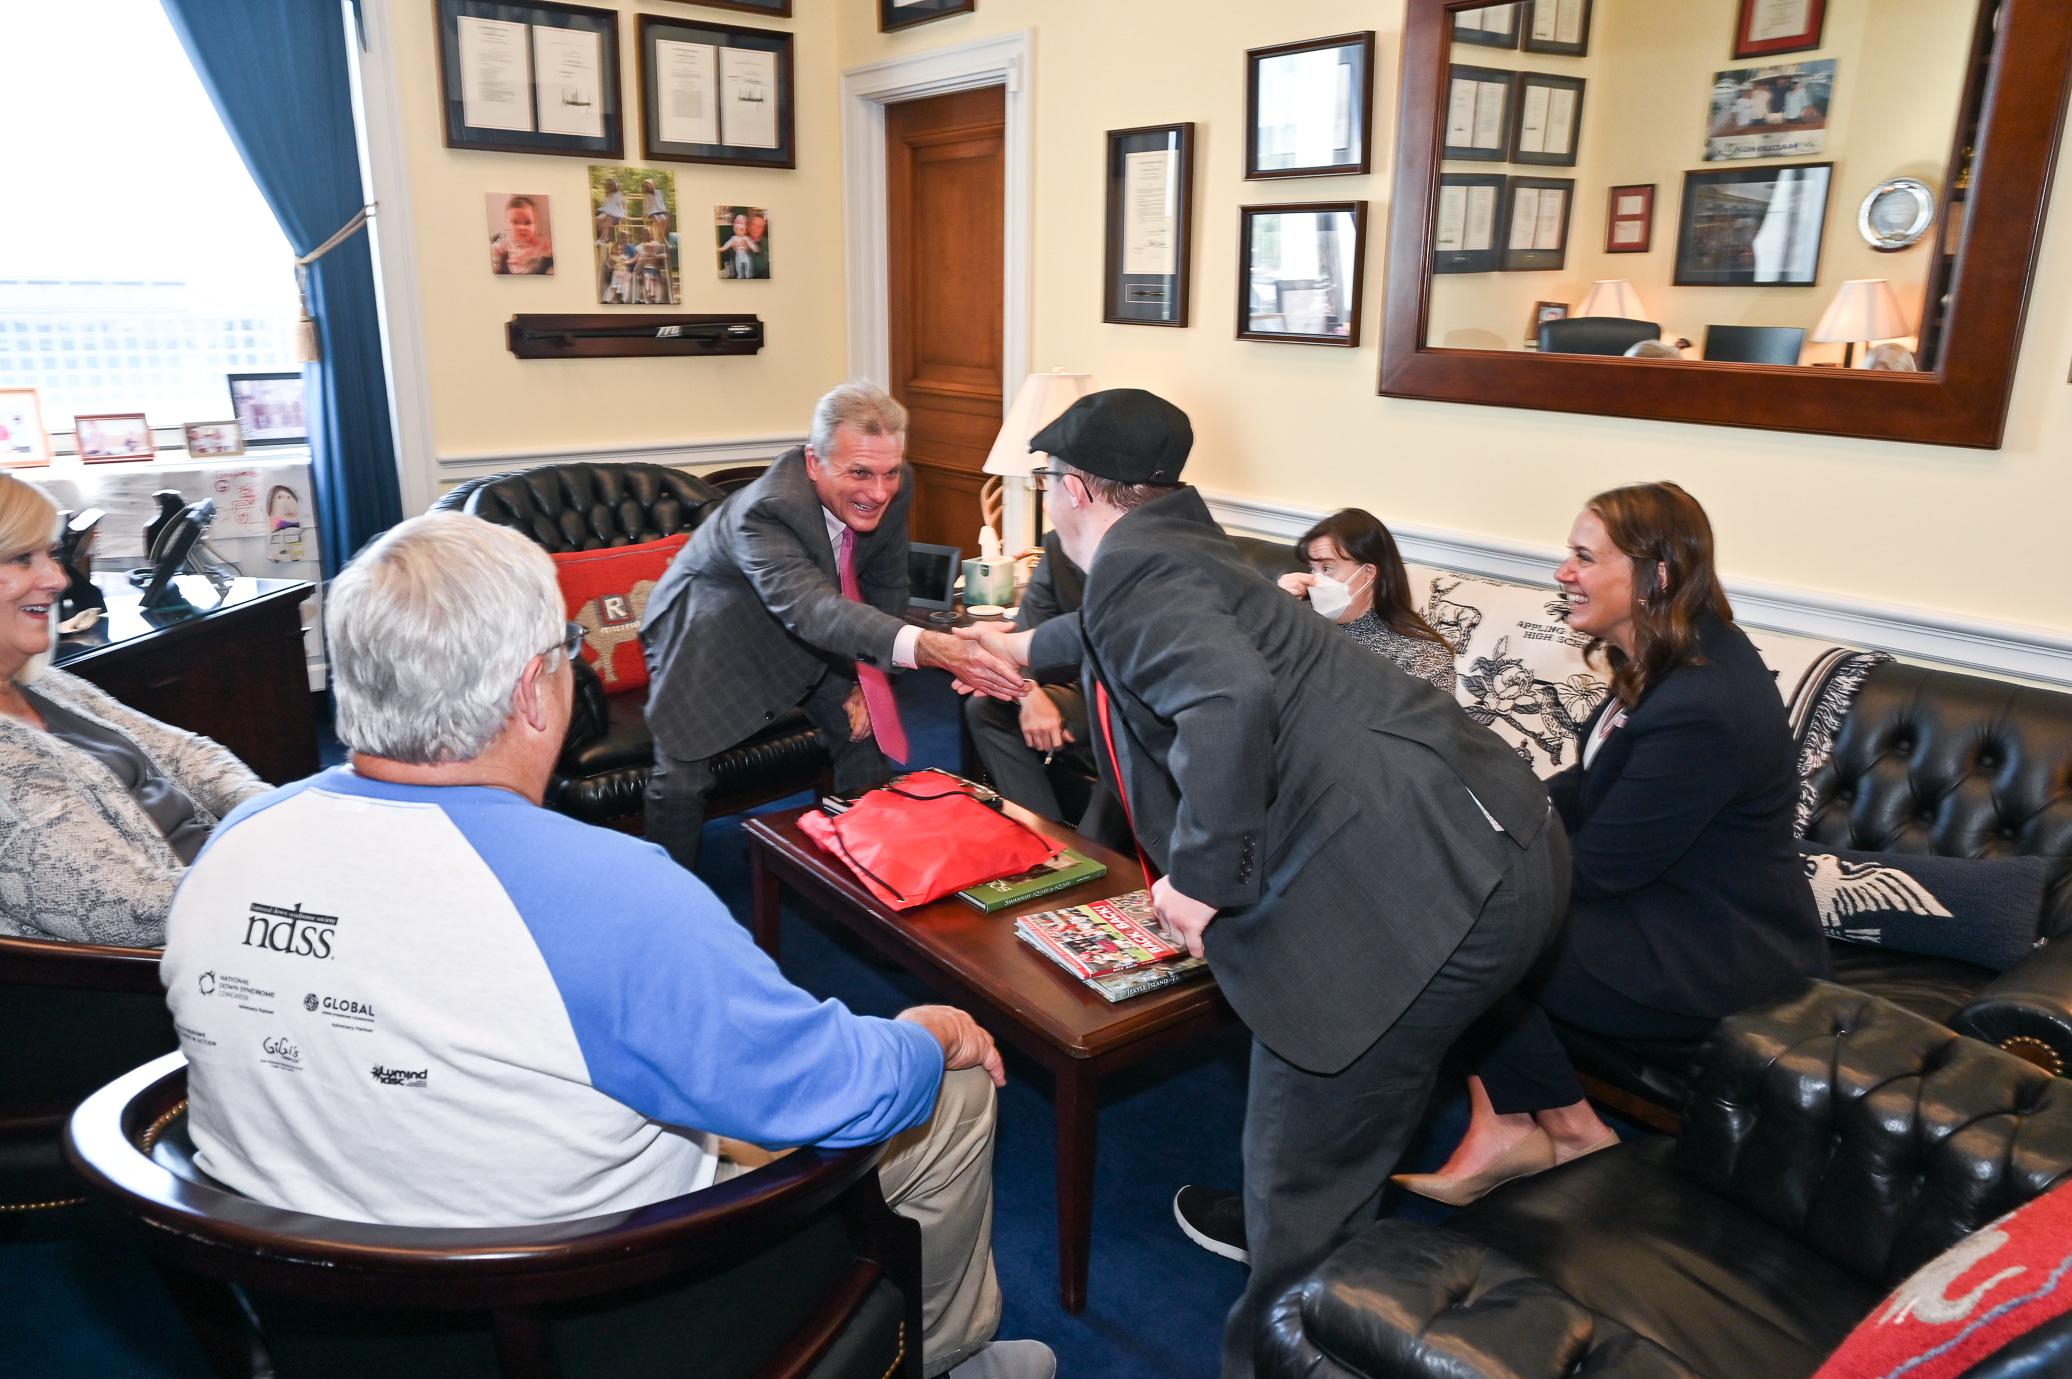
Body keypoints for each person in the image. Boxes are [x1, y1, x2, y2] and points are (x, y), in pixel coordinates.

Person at [159, 512, 1054, 1379]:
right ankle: (943, 1358)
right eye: (565, 654)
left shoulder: (230, 844)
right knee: (955, 1087)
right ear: (530, 692)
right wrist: (930, 1033)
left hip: (325, 1318)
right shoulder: (613, 895)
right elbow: (837, 1093)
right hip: (592, 1321)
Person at [957, 390, 1567, 1379]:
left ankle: (1281, 1331)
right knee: (1339, 1122)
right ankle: (1320, 1223)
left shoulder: (1139, 571)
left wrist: (1199, 878)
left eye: (1046, 483)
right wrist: (1026, 649)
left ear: (1072, 489)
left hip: (1430, 881)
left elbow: (1226, 699)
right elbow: (1126, 628)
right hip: (1491, 832)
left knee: (1305, 1152)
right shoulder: (1175, 545)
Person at [1394, 482, 1828, 1207]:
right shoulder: (1670, 656)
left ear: (1655, 575)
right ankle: (1504, 1124)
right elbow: (1587, 787)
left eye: (1584, 556)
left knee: (1457, 920)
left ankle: (1568, 1130)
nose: (1563, 571)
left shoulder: (1703, 705)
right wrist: (1474, 812)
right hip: (1657, 908)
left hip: (1706, 953)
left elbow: (1597, 868)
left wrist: (1465, 854)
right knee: (1441, 884)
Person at [640, 382, 1023, 871]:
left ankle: (872, 874)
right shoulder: (765, 510)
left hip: (818, 624)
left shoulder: (891, 485)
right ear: (814, 462)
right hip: (712, 629)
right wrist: (935, 647)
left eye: (889, 473)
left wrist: (871, 676)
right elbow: (813, 609)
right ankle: (667, 891)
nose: (879, 491)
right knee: (681, 776)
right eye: (860, 472)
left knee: (860, 733)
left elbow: (885, 584)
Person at [0, 473, 266, 944]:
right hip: (175, 964)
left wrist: (271, 817)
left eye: (52, 555)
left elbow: (188, 752)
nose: (59, 579)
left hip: (230, 897)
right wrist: (279, 883)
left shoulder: (47, 684)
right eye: (24, 559)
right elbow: (124, 908)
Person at [959, 530, 1124, 843]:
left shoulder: (1146, 549)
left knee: (1120, 730)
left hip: (1137, 698)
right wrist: (1028, 691)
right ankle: (1044, 838)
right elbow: (1029, 626)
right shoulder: (1059, 544)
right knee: (986, 706)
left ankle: (1094, 855)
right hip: (1083, 688)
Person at [1274, 508, 1455, 693]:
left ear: (1368, 573)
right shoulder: (1301, 626)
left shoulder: (1423, 656)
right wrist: (1276, 613)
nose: (1314, 580)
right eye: (1313, 569)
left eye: (1327, 568)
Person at [489, 193, 553, 275]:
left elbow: (549, 252)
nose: (522, 228)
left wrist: (529, 254)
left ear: (535, 224)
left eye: (527, 222)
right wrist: (496, 266)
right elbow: (494, 250)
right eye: (515, 222)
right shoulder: (506, 240)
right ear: (507, 225)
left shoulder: (540, 243)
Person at [720, 211, 758, 279]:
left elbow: (751, 243)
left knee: (748, 265)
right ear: (734, 230)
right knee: (738, 268)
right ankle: (740, 275)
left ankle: (747, 274)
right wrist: (723, 248)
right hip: (738, 256)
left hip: (745, 256)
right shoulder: (734, 238)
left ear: (745, 230)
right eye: (737, 229)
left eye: (741, 230)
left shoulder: (746, 238)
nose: (739, 232)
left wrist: (754, 248)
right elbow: (728, 243)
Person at [593, 176, 624, 245]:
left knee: (606, 223)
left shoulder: (618, 195)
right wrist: (600, 211)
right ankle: (605, 237)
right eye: (608, 185)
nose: (609, 187)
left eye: (611, 185)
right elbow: (606, 206)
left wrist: (623, 215)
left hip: (616, 215)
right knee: (597, 220)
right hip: (608, 213)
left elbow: (621, 205)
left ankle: (603, 238)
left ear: (614, 186)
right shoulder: (608, 196)